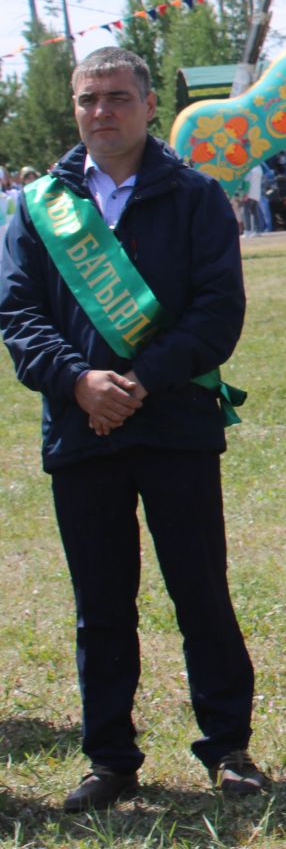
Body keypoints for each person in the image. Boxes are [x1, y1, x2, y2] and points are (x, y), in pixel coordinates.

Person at [0, 46, 265, 812]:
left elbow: (218, 313)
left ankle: (229, 746)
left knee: (200, 593)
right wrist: (78, 381)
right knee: (101, 604)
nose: (102, 112)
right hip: (81, 432)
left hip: (176, 426)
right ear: (74, 108)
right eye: (88, 100)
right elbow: (17, 314)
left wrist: (140, 380)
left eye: (117, 98)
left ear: (149, 105)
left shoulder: (196, 197)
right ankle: (110, 758)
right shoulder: (37, 207)